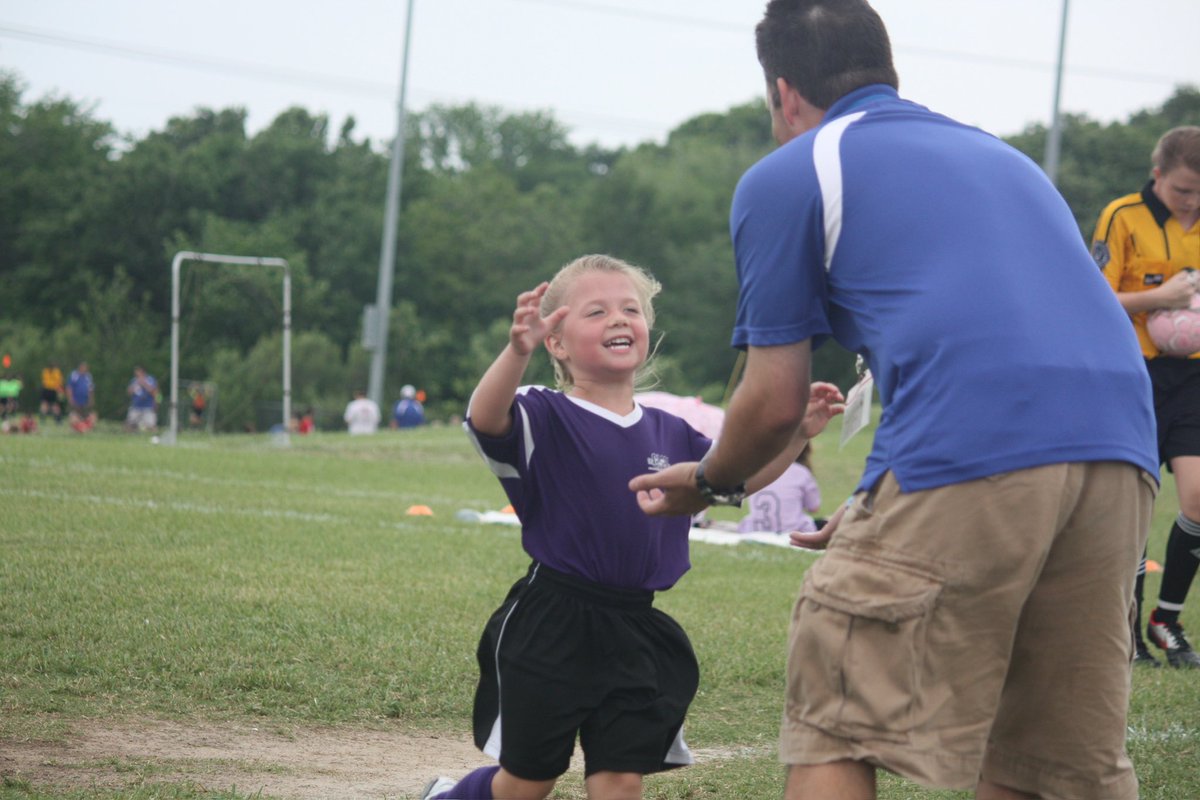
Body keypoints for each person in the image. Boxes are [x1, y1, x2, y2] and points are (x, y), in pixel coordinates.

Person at [628, 2, 1160, 799]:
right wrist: (891, 493)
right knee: (1053, 765)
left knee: (839, 712)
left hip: (975, 439)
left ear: (783, 91)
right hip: (1122, 449)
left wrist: (710, 482)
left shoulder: (797, 169)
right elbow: (993, 331)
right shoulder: (1005, 159)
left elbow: (773, 399)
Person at [421, 254, 843, 800]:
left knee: (621, 778)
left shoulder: (673, 429)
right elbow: (485, 417)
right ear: (557, 342)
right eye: (596, 311)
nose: (619, 319)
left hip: (637, 628)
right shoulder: (543, 413)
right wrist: (514, 352)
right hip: (553, 622)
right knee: (529, 781)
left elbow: (734, 480)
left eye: (631, 309)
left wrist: (794, 437)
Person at [1092, 125, 1200, 670]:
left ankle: (1167, 620)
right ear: (1158, 175)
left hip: (1194, 381)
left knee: (1199, 498)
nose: (1192, 201)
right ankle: (1126, 630)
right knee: (1133, 506)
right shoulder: (1123, 216)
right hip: (1135, 374)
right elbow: (1093, 298)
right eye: (1183, 190)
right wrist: (1161, 297)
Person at [736, 445, 821, 534]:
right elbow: (814, 507)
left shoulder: (754, 470)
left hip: (755, 528)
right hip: (793, 530)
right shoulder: (801, 472)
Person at [124, 366, 159, 432]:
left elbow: (155, 392)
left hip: (148, 406)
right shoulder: (134, 380)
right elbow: (129, 392)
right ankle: (128, 436)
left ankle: (154, 435)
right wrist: (133, 386)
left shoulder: (150, 380)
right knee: (129, 422)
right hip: (136, 406)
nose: (136, 373)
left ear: (142, 372)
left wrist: (144, 384)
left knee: (151, 424)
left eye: (138, 372)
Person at [66, 361, 96, 433]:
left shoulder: (88, 376)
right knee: (74, 413)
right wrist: (70, 398)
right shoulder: (74, 375)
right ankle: (75, 427)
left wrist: (91, 399)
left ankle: (85, 427)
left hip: (85, 400)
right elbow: (69, 387)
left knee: (86, 414)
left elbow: (90, 389)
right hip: (76, 399)